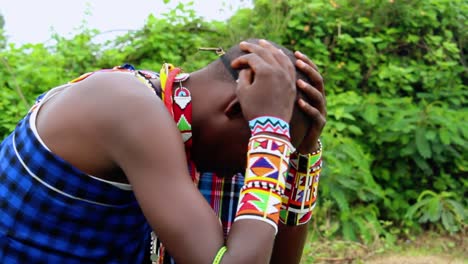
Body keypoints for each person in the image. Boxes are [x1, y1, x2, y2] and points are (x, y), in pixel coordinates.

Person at [0, 38, 326, 263]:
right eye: (253, 151)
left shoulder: (173, 120)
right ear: (235, 108)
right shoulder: (128, 107)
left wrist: (302, 158)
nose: (246, 172)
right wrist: (270, 131)